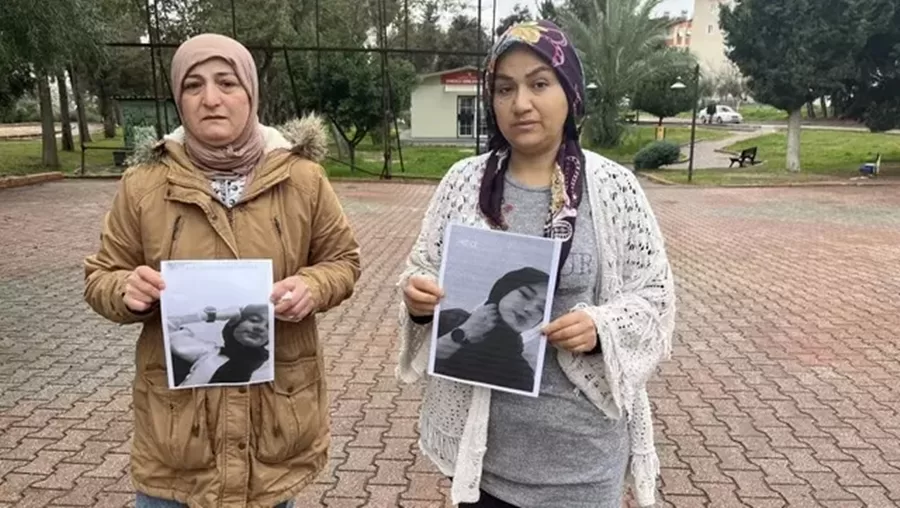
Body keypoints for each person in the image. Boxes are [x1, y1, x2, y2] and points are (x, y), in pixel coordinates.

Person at [397, 20, 676, 508]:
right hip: (487, 459)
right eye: (505, 89)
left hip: (584, 461)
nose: (521, 103)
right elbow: (422, 266)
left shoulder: (614, 187)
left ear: (569, 91)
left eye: (539, 84)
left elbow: (655, 298)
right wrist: (418, 301)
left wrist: (601, 328)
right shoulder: (464, 182)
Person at [83, 33, 361, 508]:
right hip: (177, 438)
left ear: (250, 92)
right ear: (178, 98)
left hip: (273, 428)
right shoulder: (144, 185)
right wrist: (124, 289)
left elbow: (344, 260)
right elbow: (101, 275)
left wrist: (312, 286)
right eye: (193, 85)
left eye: (227, 83)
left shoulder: (303, 179)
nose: (210, 99)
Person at [434, 267, 549, 393]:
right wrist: (464, 332)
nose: (529, 309)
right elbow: (423, 362)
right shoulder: (449, 319)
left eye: (541, 309)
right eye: (525, 295)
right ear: (505, 289)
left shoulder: (520, 374)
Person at [167, 304, 271, 387]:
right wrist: (211, 315)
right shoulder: (209, 353)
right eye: (254, 320)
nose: (260, 328)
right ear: (234, 324)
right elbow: (166, 327)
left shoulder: (270, 369)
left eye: (269, 327)